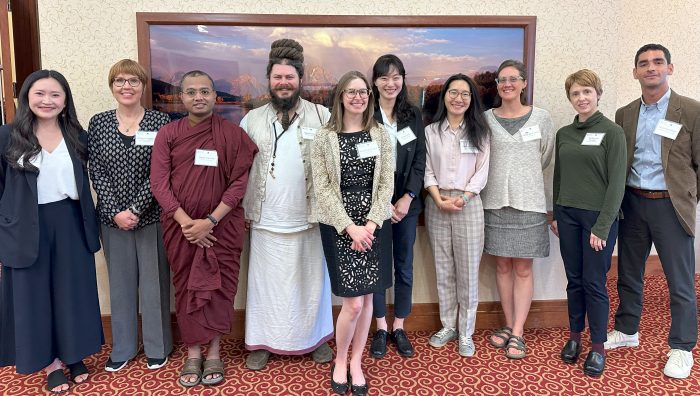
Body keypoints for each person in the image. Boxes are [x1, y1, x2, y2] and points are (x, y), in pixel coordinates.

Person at [150, 70, 258, 387]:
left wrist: (210, 221)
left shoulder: (233, 134)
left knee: (219, 287)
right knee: (186, 287)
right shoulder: (168, 134)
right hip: (180, 229)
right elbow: (159, 183)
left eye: (205, 91)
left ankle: (214, 352)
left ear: (215, 96)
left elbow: (240, 182)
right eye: (191, 92)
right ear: (181, 97)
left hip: (221, 227)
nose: (199, 97)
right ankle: (193, 352)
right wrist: (187, 223)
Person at [0, 70, 103, 394]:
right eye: (40, 93)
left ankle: (73, 355)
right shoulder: (7, 136)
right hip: (26, 226)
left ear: (65, 100)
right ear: (26, 97)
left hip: (71, 221)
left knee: (72, 293)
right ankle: (50, 363)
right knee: (34, 298)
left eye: (55, 95)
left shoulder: (77, 135)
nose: (47, 101)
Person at [606, 44, 700, 379]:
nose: (651, 68)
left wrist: (688, 198)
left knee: (680, 281)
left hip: (671, 206)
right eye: (643, 64)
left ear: (670, 68)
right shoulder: (625, 114)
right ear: (635, 72)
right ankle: (627, 330)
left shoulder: (690, 110)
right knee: (629, 274)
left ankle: (682, 347)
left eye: (658, 62)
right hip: (632, 203)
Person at [240, 38, 333, 370]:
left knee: (311, 284)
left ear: (300, 80)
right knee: (266, 287)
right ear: (269, 80)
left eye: (289, 77)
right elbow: (238, 171)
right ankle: (264, 341)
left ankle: (315, 339)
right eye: (277, 77)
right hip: (265, 219)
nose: (283, 83)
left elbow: (335, 165)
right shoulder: (251, 120)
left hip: (308, 217)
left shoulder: (322, 116)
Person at [311, 71, 394, 396]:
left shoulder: (380, 135)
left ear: (369, 97)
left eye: (363, 92)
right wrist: (350, 227)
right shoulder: (323, 138)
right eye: (351, 92)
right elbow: (324, 189)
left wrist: (371, 224)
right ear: (340, 96)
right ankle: (340, 361)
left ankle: (356, 361)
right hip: (339, 226)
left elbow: (386, 182)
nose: (358, 97)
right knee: (353, 304)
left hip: (374, 226)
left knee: (370, 297)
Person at [87, 59, 173, 372]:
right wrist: (115, 212)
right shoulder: (98, 123)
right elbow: (96, 169)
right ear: (112, 86)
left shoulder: (159, 122)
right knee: (120, 284)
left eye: (134, 81)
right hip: (111, 221)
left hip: (150, 217)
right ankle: (123, 346)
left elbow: (160, 172)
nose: (127, 86)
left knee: (154, 284)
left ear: (143, 86)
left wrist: (136, 210)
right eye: (120, 80)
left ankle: (158, 345)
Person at [552, 69, 626, 377]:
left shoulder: (612, 132)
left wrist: (603, 226)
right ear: (570, 98)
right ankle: (574, 337)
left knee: (595, 283)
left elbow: (617, 184)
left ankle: (597, 347)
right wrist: (556, 214)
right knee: (574, 280)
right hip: (567, 215)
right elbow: (558, 177)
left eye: (586, 92)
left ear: (597, 93)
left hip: (598, 218)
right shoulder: (564, 134)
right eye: (575, 94)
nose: (581, 98)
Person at [480, 60, 555, 359]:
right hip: (494, 203)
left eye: (513, 79)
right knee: (501, 267)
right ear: (496, 86)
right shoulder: (485, 119)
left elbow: (546, 158)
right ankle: (509, 326)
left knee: (523, 268)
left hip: (530, 204)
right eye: (501, 80)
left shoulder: (542, 118)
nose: (507, 84)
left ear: (524, 83)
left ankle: (519, 332)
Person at [424, 73, 490, 358]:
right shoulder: (431, 131)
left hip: (469, 203)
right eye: (453, 92)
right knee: (444, 269)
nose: (458, 98)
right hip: (437, 203)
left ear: (471, 99)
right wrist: (438, 199)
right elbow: (426, 169)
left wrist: (462, 198)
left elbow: (482, 172)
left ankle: (466, 332)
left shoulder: (480, 131)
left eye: (465, 94)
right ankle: (448, 325)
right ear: (444, 96)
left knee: (467, 272)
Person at [368, 54, 426, 359]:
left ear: (403, 80)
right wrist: (381, 204)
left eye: (396, 77)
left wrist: (407, 198)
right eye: (384, 77)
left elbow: (419, 160)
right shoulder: (365, 113)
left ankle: (399, 326)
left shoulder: (412, 115)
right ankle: (379, 327)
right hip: (374, 206)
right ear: (375, 81)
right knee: (378, 267)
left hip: (406, 205)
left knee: (404, 265)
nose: (390, 83)